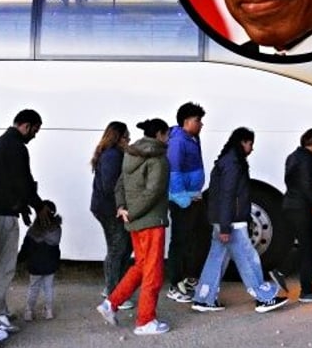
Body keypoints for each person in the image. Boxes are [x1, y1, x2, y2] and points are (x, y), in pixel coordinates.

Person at [191, 127, 288, 313]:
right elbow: (228, 195)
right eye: (250, 144)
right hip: (232, 222)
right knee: (248, 259)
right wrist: (227, 227)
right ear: (243, 142)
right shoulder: (234, 163)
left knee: (216, 259)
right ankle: (264, 298)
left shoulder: (226, 161)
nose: (252, 148)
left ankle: (204, 298)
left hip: (223, 221)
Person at [97, 118, 172, 335]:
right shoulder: (159, 160)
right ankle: (145, 320)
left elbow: (119, 184)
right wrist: (136, 213)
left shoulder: (131, 154)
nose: (167, 139)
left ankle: (111, 303)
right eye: (166, 134)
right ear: (159, 134)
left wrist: (123, 209)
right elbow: (153, 192)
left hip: (135, 224)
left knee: (140, 266)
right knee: (153, 272)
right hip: (152, 223)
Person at [0, 109, 45, 339]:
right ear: (26, 126)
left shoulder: (2, 143)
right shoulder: (16, 147)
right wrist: (38, 206)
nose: (35, 135)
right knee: (3, 265)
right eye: (35, 130)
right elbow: (24, 182)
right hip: (4, 215)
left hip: (1, 212)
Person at [282, 128, 312, 303]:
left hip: (288, 205)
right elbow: (307, 188)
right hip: (301, 209)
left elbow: (295, 183)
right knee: (309, 249)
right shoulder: (311, 161)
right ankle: (307, 291)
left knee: (302, 247)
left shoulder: (292, 157)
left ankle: (279, 271)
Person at [90, 121, 134, 310]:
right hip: (110, 209)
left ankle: (114, 287)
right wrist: (121, 206)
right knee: (118, 248)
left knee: (122, 247)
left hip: (108, 208)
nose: (129, 140)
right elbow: (110, 186)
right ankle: (113, 293)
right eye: (126, 136)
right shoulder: (113, 155)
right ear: (119, 137)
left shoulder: (111, 153)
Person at [165, 102, 206, 303]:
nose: (201, 124)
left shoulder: (192, 138)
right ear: (187, 121)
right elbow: (174, 172)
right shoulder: (178, 142)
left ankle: (189, 277)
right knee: (179, 241)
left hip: (192, 198)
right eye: (198, 120)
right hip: (183, 201)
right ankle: (174, 283)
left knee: (192, 239)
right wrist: (183, 200)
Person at [18, 199, 62, 321]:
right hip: (50, 265)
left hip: (34, 265)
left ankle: (28, 312)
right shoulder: (57, 230)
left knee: (33, 288)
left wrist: (19, 260)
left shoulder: (32, 231)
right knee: (49, 288)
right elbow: (57, 249)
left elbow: (25, 249)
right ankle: (49, 311)